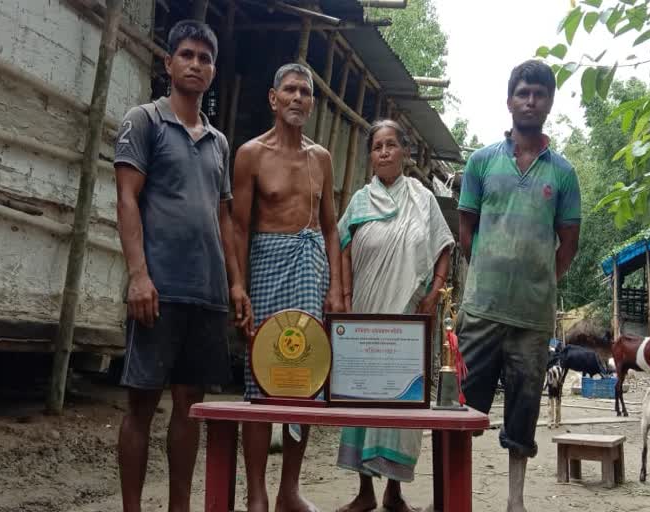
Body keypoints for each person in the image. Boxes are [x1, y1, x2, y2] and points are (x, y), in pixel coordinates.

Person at [113, 20, 250, 512]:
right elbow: (126, 199)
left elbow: (223, 217)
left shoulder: (218, 142)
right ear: (168, 63)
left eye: (205, 58)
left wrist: (235, 283)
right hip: (158, 290)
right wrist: (138, 275)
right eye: (187, 55)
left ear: (213, 70)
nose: (196, 64)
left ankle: (179, 507)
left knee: (189, 409)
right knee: (141, 404)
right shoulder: (144, 121)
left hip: (206, 293)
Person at [456, 60, 581, 512]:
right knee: (461, 408)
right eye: (523, 92)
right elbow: (465, 227)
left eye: (539, 94)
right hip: (481, 310)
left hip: (531, 319)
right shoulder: (481, 162)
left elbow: (568, 243)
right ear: (509, 100)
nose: (530, 101)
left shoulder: (563, 173)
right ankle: (457, 498)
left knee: (524, 412)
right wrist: (489, 271)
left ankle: (515, 502)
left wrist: (538, 281)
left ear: (549, 102)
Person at [230, 62, 344, 512]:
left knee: (306, 377)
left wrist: (335, 288)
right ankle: (256, 491)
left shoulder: (322, 158)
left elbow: (332, 227)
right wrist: (238, 286)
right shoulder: (251, 155)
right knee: (261, 377)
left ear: (312, 103)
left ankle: (288, 490)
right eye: (290, 90)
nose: (298, 98)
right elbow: (239, 228)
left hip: (310, 271)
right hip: (266, 268)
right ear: (273, 98)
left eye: (306, 92)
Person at [335, 120, 454, 512]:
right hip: (366, 310)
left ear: (404, 151)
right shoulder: (359, 201)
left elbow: (443, 247)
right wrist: (347, 296)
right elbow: (345, 249)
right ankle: (365, 490)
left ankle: (395, 491)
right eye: (377, 146)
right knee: (363, 397)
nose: (384, 151)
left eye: (391, 145)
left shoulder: (422, 199)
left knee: (401, 400)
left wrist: (435, 292)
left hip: (408, 313)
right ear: (370, 156)